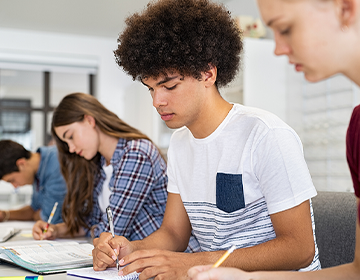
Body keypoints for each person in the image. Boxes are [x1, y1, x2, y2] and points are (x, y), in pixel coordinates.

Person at [92, 0, 321, 279]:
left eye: (169, 85)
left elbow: (300, 248)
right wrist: (131, 250)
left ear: (208, 74)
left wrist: (196, 262)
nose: (157, 101)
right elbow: (174, 233)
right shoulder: (179, 144)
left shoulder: (265, 135)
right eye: (151, 89)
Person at [187, 0, 360, 279]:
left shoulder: (267, 133)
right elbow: (356, 273)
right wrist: (244, 277)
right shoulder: (357, 127)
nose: (278, 48)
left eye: (286, 29)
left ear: (346, 9)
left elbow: (301, 249)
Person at [31, 93, 182, 248]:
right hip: (129, 262)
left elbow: (113, 230)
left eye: (70, 136)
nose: (71, 148)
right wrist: (56, 230)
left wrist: (92, 228)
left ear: (89, 120)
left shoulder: (136, 153)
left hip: (165, 260)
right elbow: (91, 223)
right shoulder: (99, 163)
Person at [0, 140, 66, 224]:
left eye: (12, 180)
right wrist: (5, 214)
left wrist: (39, 214)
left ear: (22, 164)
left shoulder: (56, 163)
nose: (15, 186)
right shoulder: (37, 171)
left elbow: (50, 217)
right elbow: (33, 210)